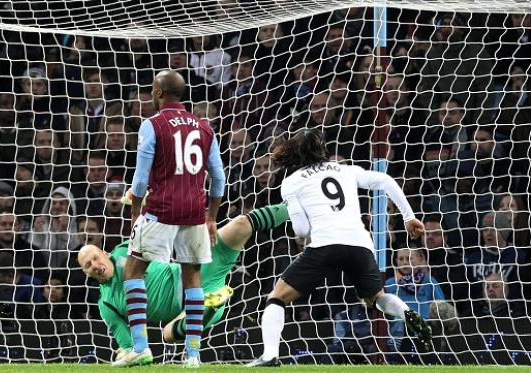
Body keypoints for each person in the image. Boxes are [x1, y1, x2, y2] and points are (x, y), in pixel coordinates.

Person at [248, 129, 431, 367]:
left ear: (295, 153)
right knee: (377, 298)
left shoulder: (291, 183)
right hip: (360, 244)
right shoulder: (346, 169)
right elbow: (385, 180)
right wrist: (408, 217)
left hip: (325, 244)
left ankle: (270, 355)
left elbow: (302, 230)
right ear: (323, 149)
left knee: (277, 298)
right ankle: (407, 313)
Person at [77, 203, 289, 364]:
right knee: (167, 334)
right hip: (186, 305)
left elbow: (156, 235)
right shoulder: (107, 305)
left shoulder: (125, 250)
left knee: (242, 224)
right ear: (86, 273)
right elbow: (128, 344)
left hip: (192, 270)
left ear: (104, 253)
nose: (94, 265)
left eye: (95, 257)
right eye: (88, 265)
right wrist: (125, 351)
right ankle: (206, 305)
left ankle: (294, 206)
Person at [119, 70, 225, 367]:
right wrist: (212, 216)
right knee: (192, 276)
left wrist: (135, 212)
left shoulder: (152, 125)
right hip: (194, 211)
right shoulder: (205, 127)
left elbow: (140, 180)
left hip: (161, 208)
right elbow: (218, 177)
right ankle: (193, 355)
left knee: (133, 270)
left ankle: (140, 346)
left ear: (158, 92)